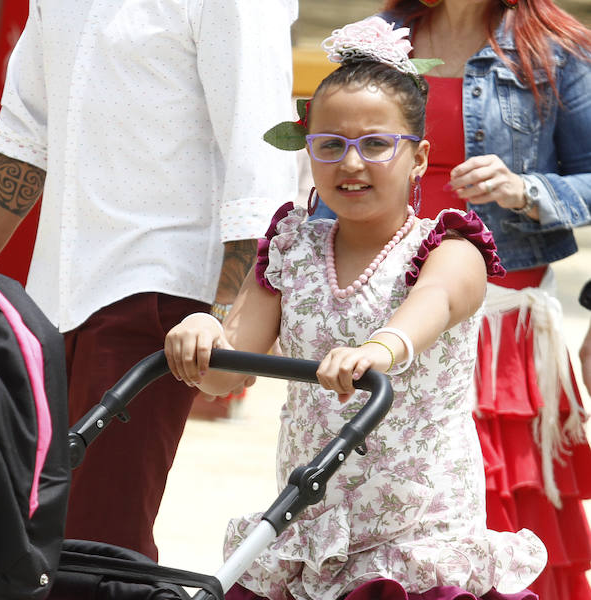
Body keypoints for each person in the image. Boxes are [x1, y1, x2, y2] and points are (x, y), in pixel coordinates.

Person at [165, 18, 546, 599]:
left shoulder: (450, 248)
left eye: (375, 144)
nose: (350, 163)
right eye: (331, 145)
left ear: (418, 158)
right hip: (310, 529)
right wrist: (203, 330)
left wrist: (377, 349)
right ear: (307, 149)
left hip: (417, 540)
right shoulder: (292, 248)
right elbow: (225, 372)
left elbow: (434, 303)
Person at [0, 1, 299, 561]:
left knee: (99, 541)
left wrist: (222, 318)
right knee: (27, 535)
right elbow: (24, 133)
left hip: (161, 298)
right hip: (49, 301)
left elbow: (257, 159)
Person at [307, 2, 591, 597]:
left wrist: (524, 189)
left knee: (496, 519)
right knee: (379, 518)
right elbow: (334, 155)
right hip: (380, 311)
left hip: (500, 323)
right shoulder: (379, 38)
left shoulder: (556, 46)